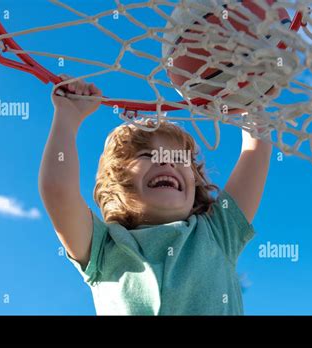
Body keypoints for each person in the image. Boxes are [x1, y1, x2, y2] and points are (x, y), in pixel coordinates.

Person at [39, 74, 272, 315]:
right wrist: (68, 116)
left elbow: (256, 151)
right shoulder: (103, 247)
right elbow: (58, 191)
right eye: (147, 156)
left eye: (178, 158)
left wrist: (249, 97)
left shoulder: (218, 232)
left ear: (194, 185)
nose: (166, 162)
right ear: (118, 182)